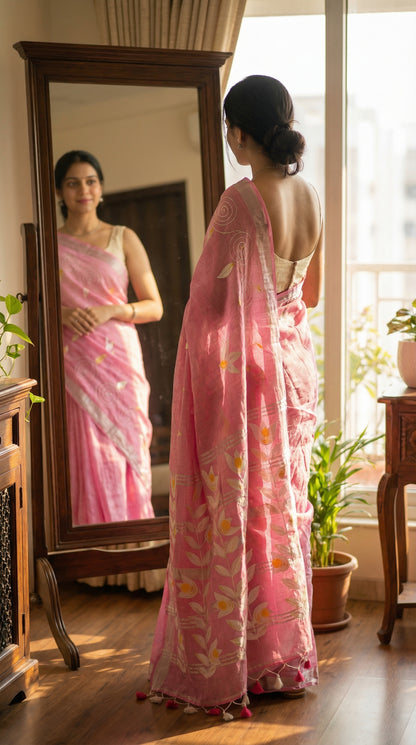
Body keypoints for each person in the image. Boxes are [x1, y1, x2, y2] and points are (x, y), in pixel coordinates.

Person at [146, 75, 323, 717]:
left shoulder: (241, 200)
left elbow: (211, 304)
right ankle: (278, 656)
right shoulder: (311, 195)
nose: (226, 137)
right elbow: (309, 297)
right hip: (293, 371)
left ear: (243, 129)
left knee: (237, 510)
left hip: (249, 376)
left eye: (228, 126)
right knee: (278, 512)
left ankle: (234, 661)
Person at [55, 150, 163, 529]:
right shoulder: (50, 246)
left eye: (90, 181)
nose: (83, 189)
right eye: (73, 182)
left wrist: (111, 310)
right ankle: (96, 559)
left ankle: (136, 554)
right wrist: (64, 315)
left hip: (120, 361)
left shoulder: (123, 238)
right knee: (89, 451)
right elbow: (37, 307)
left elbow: (155, 306)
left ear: (101, 189)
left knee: (128, 448)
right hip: (76, 360)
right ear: (59, 192)